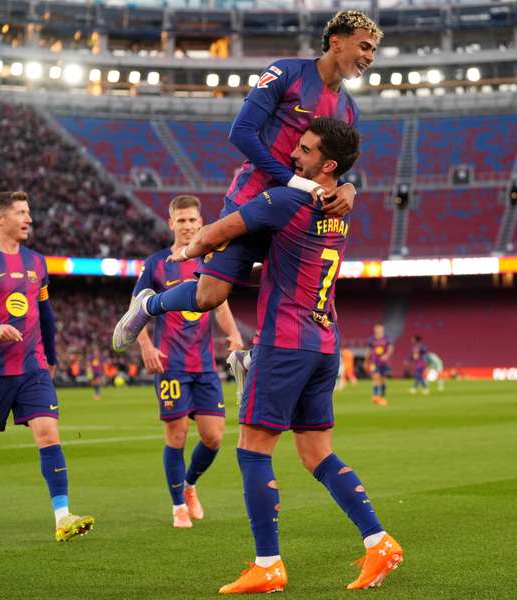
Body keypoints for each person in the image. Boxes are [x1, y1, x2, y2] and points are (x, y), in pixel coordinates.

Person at [165, 119, 402, 594]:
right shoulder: (340, 207)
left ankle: (267, 563)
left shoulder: (288, 199)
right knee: (317, 453)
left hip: (286, 341)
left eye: (306, 149)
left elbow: (217, 234)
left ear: (327, 164)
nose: (293, 154)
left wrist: (188, 248)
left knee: (253, 448)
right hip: (324, 341)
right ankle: (379, 542)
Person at [112, 11, 384, 377]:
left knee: (299, 290)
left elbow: (339, 168)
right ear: (336, 41)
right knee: (209, 296)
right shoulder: (287, 74)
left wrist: (350, 187)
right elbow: (242, 133)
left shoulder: (349, 109)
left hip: (297, 213)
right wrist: (292, 181)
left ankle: (253, 358)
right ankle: (149, 305)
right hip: (253, 197)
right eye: (364, 46)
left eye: (373, 51)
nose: (369, 57)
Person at [0, 191, 94, 541]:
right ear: (0, 219)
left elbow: (45, 314)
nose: (28, 219)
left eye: (28, 212)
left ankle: (62, 517)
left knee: (48, 432)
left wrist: (51, 357)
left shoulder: (37, 262)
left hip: (32, 366)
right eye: (21, 212)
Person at [133, 194, 244, 528]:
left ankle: (190, 484)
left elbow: (220, 303)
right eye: (181, 220)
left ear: (201, 222)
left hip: (204, 365)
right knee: (177, 436)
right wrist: (146, 346)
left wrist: (234, 334)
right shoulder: (156, 264)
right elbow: (137, 308)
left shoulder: (210, 259)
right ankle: (178, 505)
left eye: (193, 220)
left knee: (214, 437)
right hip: (171, 364)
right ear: (171, 223)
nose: (187, 226)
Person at [368, 323, 393, 406]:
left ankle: (382, 396)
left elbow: (390, 348)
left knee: (383, 380)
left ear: (382, 329)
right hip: (375, 362)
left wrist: (386, 355)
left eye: (380, 329)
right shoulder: (372, 339)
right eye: (377, 329)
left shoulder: (386, 339)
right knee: (376, 377)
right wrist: (366, 360)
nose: (378, 330)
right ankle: (375, 396)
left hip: (384, 363)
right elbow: (369, 351)